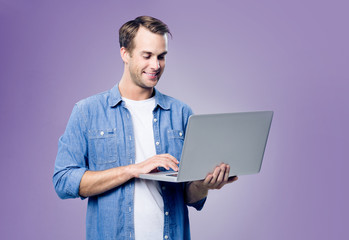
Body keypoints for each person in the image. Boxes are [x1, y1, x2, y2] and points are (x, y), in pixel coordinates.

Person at [53, 16, 238, 240]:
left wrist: (203, 185)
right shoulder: (87, 112)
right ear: (125, 54)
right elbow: (64, 181)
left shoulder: (181, 113)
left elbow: (189, 197)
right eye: (147, 55)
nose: (156, 65)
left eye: (161, 56)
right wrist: (134, 169)